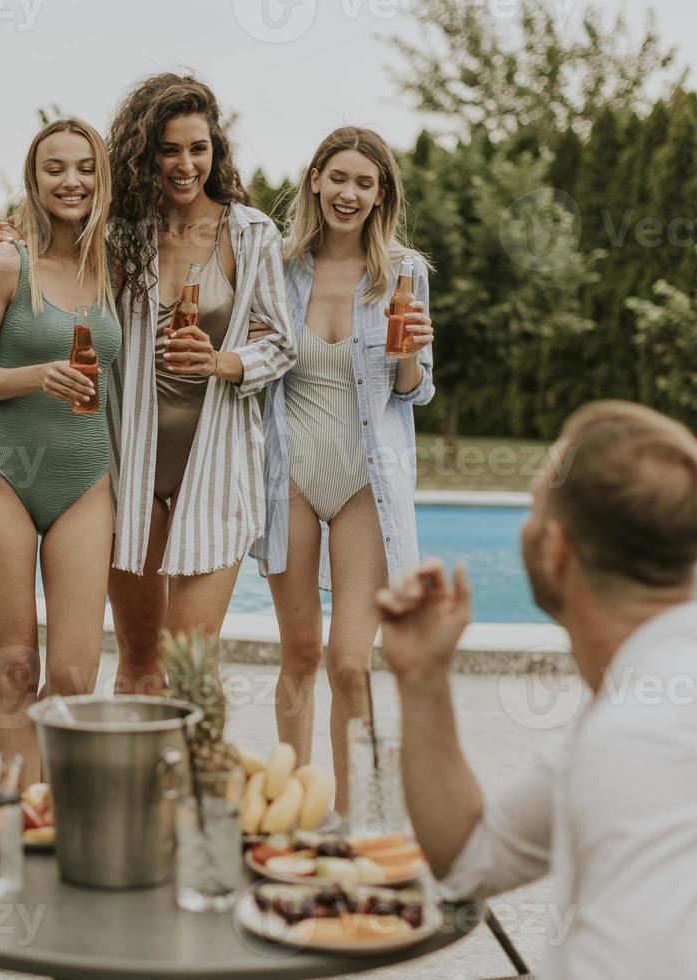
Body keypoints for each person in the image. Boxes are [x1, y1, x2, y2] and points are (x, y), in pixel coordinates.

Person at [375, 400, 697, 978]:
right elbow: (470, 861)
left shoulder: (655, 738)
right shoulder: (674, 686)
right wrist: (424, 679)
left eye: (532, 508)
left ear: (556, 549)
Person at [254, 127, 435, 809]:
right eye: (339, 178)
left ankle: (357, 819)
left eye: (365, 182)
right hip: (291, 475)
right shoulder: (279, 264)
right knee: (300, 654)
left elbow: (413, 389)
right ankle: (287, 811)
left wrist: (414, 352)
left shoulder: (403, 271)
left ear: (381, 194)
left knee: (350, 662)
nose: (349, 193)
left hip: (367, 482)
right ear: (315, 182)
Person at [102, 73, 297, 694]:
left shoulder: (250, 233)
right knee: (136, 659)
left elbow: (282, 343)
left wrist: (222, 362)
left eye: (198, 148)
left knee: (187, 665)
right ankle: (128, 789)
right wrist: (8, 240)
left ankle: (185, 789)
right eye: (169, 150)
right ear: (143, 154)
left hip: (213, 468)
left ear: (216, 151)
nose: (186, 165)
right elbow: (52, 270)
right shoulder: (118, 235)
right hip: (128, 466)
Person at [0, 118, 121, 787]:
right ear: (34, 177)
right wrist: (34, 374)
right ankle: (17, 818)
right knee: (14, 667)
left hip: (85, 481)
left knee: (75, 676)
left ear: (101, 179)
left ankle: (57, 814)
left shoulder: (116, 266)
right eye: (55, 167)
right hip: (2, 476)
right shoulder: (3, 263)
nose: (71, 180)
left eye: (85, 167)